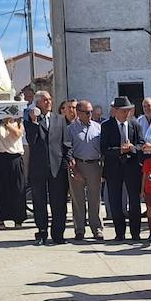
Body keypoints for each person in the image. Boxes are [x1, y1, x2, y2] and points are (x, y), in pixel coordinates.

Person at [24, 90, 70, 245]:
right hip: (39, 167)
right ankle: (42, 232)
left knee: (59, 202)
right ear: (37, 103)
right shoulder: (31, 121)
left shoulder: (60, 119)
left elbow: (66, 142)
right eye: (45, 100)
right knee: (39, 201)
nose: (48, 102)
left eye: (50, 99)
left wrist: (68, 159)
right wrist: (34, 122)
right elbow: (31, 140)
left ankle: (58, 234)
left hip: (57, 167)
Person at [101, 96, 146, 241]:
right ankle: (119, 232)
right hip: (114, 167)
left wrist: (132, 148)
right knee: (115, 200)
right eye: (123, 111)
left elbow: (141, 144)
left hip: (132, 167)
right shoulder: (107, 126)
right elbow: (104, 149)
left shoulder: (135, 125)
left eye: (128, 110)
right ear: (115, 111)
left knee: (134, 200)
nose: (126, 113)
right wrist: (120, 150)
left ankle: (135, 233)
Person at [67, 100, 104, 240]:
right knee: (77, 199)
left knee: (95, 199)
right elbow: (68, 149)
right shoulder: (70, 129)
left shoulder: (98, 127)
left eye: (91, 112)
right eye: (87, 112)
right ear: (78, 112)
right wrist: (74, 169)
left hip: (94, 165)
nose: (90, 114)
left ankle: (97, 228)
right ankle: (79, 229)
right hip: (77, 165)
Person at [0, 116, 27, 228]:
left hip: (14, 157)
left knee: (17, 188)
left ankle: (18, 219)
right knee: (0, 189)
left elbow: (17, 134)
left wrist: (7, 124)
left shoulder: (18, 122)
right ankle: (1, 219)